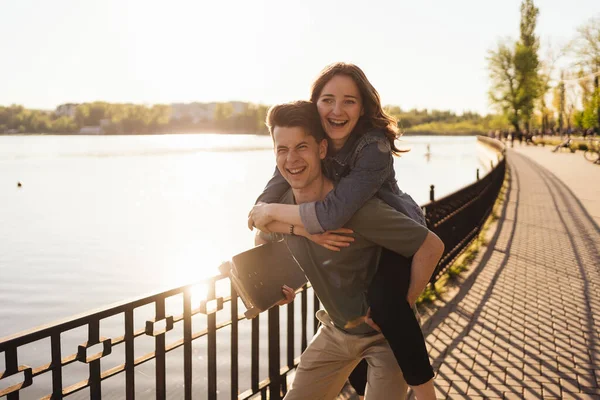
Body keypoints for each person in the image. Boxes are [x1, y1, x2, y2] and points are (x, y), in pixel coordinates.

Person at [249, 63, 437, 398]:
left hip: (397, 228)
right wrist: (290, 251)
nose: (337, 110)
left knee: (387, 305)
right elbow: (260, 219)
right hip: (336, 330)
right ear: (315, 105)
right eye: (328, 100)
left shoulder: (372, 149)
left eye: (349, 101)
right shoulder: (299, 153)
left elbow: (332, 214)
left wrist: (403, 302)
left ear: (362, 108)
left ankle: (426, 393)